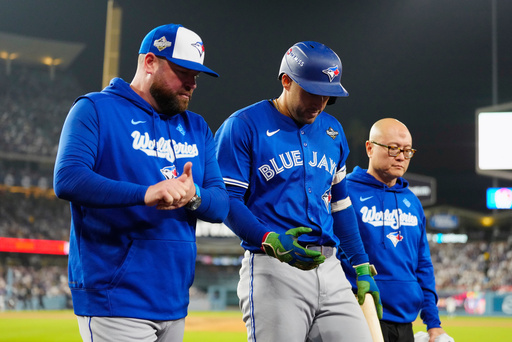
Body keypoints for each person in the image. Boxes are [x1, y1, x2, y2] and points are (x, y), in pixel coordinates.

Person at [53, 23, 229, 342]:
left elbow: (220, 204)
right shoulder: (95, 109)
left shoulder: (197, 127)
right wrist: (145, 193)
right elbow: (67, 178)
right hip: (115, 296)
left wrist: (194, 195)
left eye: (196, 75)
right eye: (182, 71)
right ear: (149, 62)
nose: (192, 83)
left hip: (175, 299)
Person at [214, 41, 381, 341]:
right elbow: (227, 199)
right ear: (286, 81)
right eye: (312, 92)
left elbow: (340, 205)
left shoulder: (332, 130)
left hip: (330, 268)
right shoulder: (243, 125)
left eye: (328, 96)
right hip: (274, 266)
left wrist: (360, 263)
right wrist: (269, 240)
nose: (319, 102)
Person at [339, 118, 454, 342]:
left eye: (407, 150)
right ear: (369, 148)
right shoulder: (345, 193)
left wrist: (433, 323)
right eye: (392, 148)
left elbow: (423, 263)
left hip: (405, 322)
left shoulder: (412, 201)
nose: (401, 156)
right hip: (359, 315)